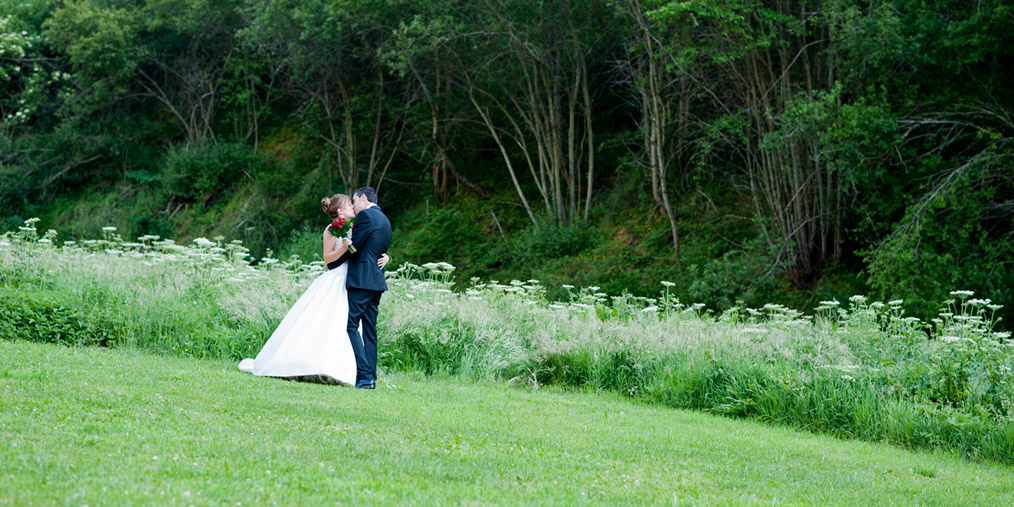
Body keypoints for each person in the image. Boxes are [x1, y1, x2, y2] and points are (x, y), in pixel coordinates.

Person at [237, 194, 390, 385]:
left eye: (353, 202)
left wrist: (387, 257)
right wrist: (345, 248)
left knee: (347, 325)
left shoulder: (356, 227)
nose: (352, 206)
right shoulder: (331, 229)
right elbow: (328, 259)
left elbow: (366, 248)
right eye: (348, 204)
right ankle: (312, 365)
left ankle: (348, 371)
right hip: (337, 279)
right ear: (340, 211)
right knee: (327, 322)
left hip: (353, 280)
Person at [336, 186, 392, 389]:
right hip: (376, 282)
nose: (353, 204)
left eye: (354, 200)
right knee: (369, 330)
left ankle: (364, 375)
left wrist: (337, 257)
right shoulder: (385, 220)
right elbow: (377, 250)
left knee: (352, 326)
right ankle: (370, 378)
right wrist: (389, 258)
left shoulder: (367, 216)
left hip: (361, 280)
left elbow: (354, 248)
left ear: (362, 198)